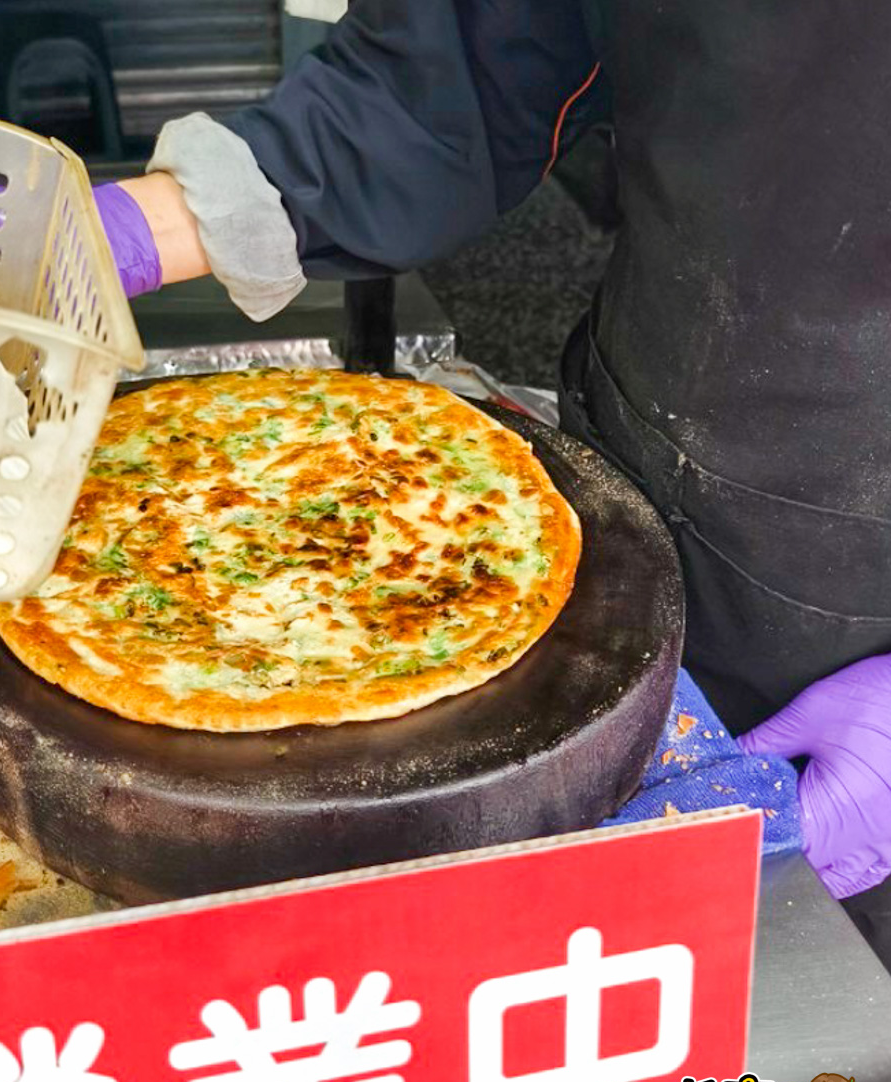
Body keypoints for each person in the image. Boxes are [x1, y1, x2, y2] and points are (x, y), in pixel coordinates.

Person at [93, 0, 891, 978]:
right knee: (588, 1002)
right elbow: (467, 65)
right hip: (626, 486)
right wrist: (127, 229)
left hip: (866, 637)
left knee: (814, 1064)